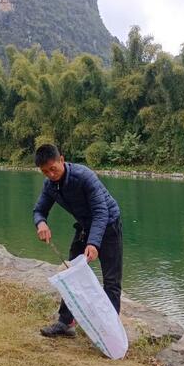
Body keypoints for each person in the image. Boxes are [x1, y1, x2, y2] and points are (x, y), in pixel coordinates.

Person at [32, 143, 123, 337]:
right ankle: (66, 323)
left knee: (111, 280)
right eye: (45, 171)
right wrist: (41, 223)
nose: (50, 174)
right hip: (84, 226)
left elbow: (101, 212)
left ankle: (111, 331)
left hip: (108, 225)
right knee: (71, 273)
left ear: (62, 160)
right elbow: (39, 210)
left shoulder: (84, 177)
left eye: (53, 169)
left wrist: (93, 243)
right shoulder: (50, 185)